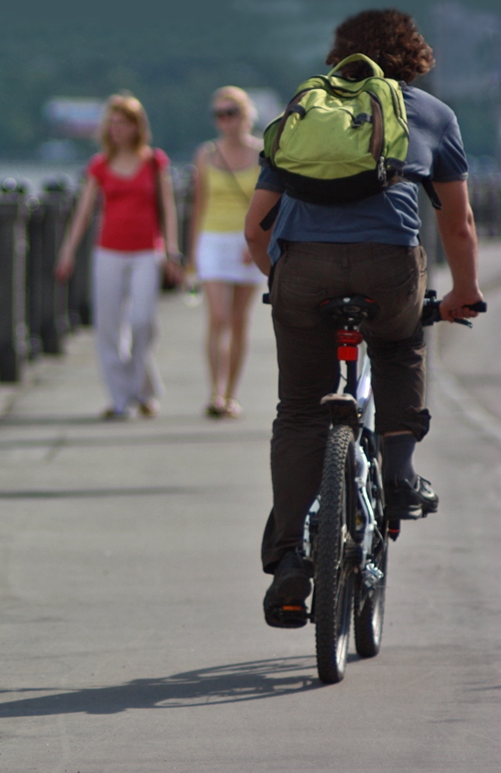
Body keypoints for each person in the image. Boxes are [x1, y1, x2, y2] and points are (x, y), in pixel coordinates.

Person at [243, 9, 484, 628]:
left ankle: (290, 561)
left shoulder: (309, 111)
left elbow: (255, 227)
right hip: (388, 270)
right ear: (415, 58)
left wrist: (283, 281)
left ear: (342, 55)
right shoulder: (431, 114)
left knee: (299, 410)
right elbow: (457, 224)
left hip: (302, 272)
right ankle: (400, 477)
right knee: (402, 340)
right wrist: (464, 292)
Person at [55, 93, 184, 420]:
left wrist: (172, 250)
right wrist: (67, 252)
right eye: (111, 123)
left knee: (143, 321)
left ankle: (141, 386)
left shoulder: (155, 161)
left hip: (146, 251)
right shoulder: (99, 165)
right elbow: (83, 213)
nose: (116, 129)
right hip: (108, 251)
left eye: (123, 122)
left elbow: (168, 209)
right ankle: (120, 399)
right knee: (109, 327)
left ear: (136, 125)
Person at [188, 86, 263, 419]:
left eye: (230, 112)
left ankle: (231, 393)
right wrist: (191, 255)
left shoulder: (262, 154)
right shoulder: (206, 154)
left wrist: (258, 239)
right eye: (218, 114)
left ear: (245, 115)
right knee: (217, 317)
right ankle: (215, 393)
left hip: (247, 239)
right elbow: (199, 204)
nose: (224, 120)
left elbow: (270, 203)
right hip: (213, 239)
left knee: (238, 321)